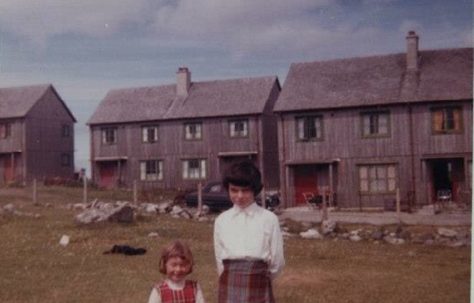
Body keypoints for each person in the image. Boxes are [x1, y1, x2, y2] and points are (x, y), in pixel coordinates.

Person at [214, 161, 285, 303]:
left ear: (255, 190)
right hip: (230, 282)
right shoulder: (222, 220)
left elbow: (277, 261)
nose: (239, 196)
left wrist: (260, 277)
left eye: (245, 190)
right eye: (234, 190)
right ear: (227, 189)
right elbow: (219, 260)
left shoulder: (268, 219)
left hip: (258, 282)